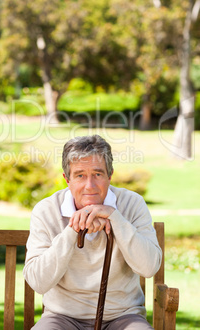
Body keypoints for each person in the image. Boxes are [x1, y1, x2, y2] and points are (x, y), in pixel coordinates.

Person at [23, 135, 162, 329]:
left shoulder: (132, 204)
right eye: (80, 175)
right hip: (62, 318)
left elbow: (149, 267)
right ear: (67, 179)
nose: (90, 186)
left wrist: (115, 218)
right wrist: (73, 229)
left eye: (98, 174)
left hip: (123, 316)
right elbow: (38, 281)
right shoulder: (46, 210)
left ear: (110, 175)